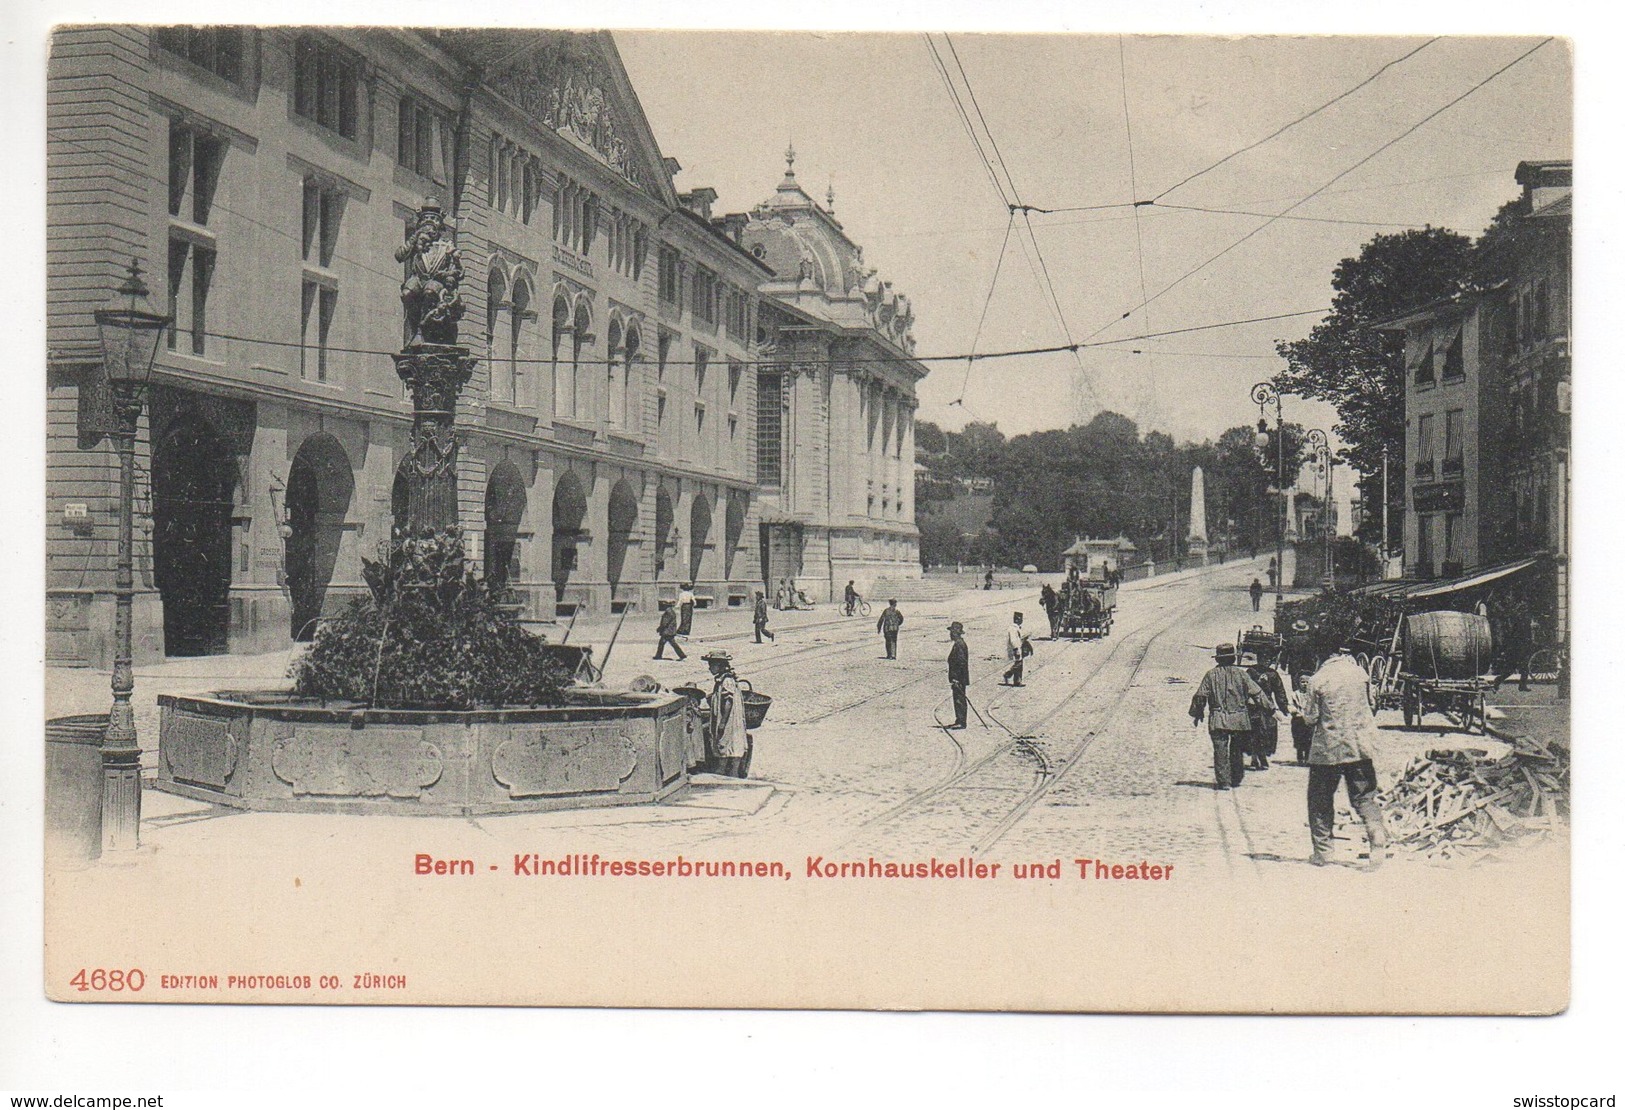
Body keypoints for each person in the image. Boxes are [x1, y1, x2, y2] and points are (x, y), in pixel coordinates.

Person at [1300, 645, 1390, 868]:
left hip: (1329, 749)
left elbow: (1310, 717)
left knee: (1319, 799)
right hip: (1360, 746)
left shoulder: (1318, 679)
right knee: (1364, 797)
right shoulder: (1360, 674)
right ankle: (1376, 834)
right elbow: (1372, 704)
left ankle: (1324, 853)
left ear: (1321, 655)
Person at [1190, 643, 1268, 790]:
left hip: (1218, 718)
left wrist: (1197, 713)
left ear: (1218, 660)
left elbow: (1201, 695)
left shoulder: (1210, 675)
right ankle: (1236, 778)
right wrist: (1269, 708)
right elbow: (1257, 692)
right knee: (1236, 750)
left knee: (1220, 750)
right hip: (1239, 719)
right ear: (1233, 658)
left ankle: (1224, 781)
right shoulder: (1242, 674)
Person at [702, 651, 750, 778]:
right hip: (729, 719)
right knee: (729, 746)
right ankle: (728, 773)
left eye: (712, 665)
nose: (710, 668)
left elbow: (728, 702)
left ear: (720, 665)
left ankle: (725, 774)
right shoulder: (723, 679)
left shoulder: (727, 681)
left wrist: (723, 722)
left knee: (725, 745)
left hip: (729, 720)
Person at [1243, 651, 1289, 770]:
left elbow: (1279, 691)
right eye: (1263, 658)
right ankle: (1254, 758)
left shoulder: (1273, 674)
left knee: (1267, 731)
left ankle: (1262, 756)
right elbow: (1243, 687)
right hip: (1253, 705)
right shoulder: (1251, 672)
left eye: (1268, 659)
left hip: (1267, 706)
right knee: (1253, 732)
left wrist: (1283, 706)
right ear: (1258, 659)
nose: (1266, 661)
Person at [946, 621, 970, 729]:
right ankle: (959, 720)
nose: (950, 634)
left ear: (956, 633)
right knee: (958, 698)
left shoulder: (959, 644)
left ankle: (961, 721)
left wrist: (956, 678)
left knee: (959, 699)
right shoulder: (959, 643)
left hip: (959, 678)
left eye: (952, 632)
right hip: (959, 677)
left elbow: (961, 662)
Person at [1289, 672, 1314, 765]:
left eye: (1307, 682)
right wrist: (1294, 711)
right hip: (1298, 719)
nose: (1305, 684)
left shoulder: (1312, 695)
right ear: (1298, 683)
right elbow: (1291, 704)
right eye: (1302, 682)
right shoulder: (1295, 694)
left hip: (1308, 719)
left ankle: (1307, 758)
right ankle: (1300, 757)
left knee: (1309, 739)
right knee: (1298, 739)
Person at [1002, 612, 1031, 686]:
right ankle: (1008, 674)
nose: (1022, 621)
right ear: (1017, 619)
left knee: (1019, 664)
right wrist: (1016, 649)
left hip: (1018, 648)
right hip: (1016, 649)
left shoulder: (1016, 628)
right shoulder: (1012, 629)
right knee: (1018, 664)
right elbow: (1013, 640)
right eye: (1021, 619)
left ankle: (1017, 681)